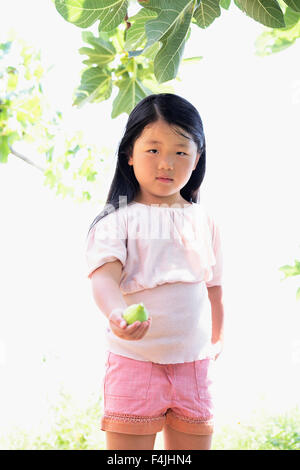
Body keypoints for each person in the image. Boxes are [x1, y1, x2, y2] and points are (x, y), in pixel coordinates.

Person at [85, 93, 225, 450]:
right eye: (153, 150)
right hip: (135, 363)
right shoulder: (118, 220)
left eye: (181, 151)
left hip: (194, 366)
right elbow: (104, 278)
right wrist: (116, 313)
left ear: (197, 159)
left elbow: (214, 287)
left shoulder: (204, 219)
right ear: (129, 154)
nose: (167, 163)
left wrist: (218, 337)